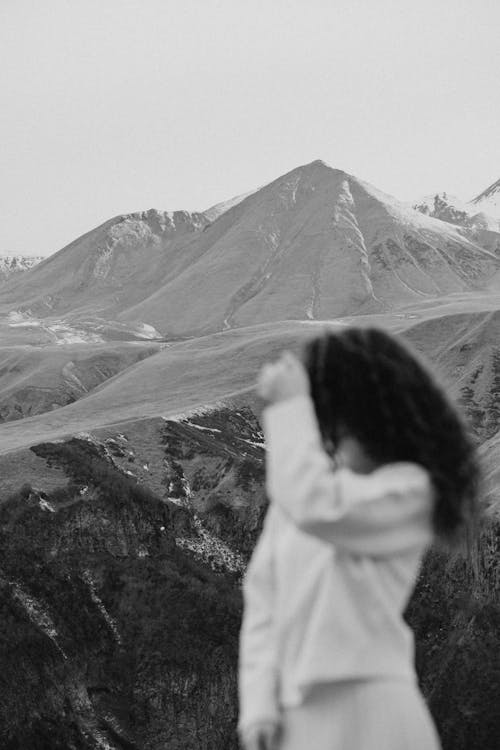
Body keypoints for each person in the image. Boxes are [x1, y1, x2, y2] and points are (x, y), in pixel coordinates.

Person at [237, 327, 479, 750]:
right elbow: (263, 602)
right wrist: (258, 707)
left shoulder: (411, 491)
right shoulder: (298, 502)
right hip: (295, 720)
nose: (333, 441)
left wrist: (290, 405)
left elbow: (319, 505)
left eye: (339, 426)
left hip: (374, 713)